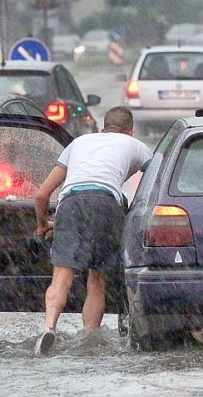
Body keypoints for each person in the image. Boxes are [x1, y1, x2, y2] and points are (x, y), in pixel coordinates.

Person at [33, 106, 153, 354]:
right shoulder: (135, 145)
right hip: (106, 203)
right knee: (96, 278)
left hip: (71, 202)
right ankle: (90, 336)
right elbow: (155, 179)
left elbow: (42, 194)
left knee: (62, 277)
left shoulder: (78, 143)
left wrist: (42, 223)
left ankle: (49, 327)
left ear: (102, 127)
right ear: (130, 131)